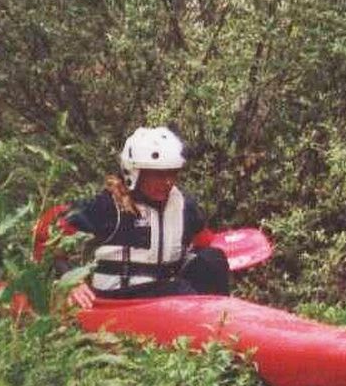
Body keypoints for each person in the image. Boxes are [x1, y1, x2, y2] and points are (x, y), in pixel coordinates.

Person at [61, 127, 230, 309]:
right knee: (178, 290)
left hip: (165, 293)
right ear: (135, 173)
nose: (168, 182)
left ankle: (222, 322)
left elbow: (204, 241)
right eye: (158, 174)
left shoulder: (183, 206)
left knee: (213, 260)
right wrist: (70, 280)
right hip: (118, 301)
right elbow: (52, 233)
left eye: (172, 173)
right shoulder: (108, 205)